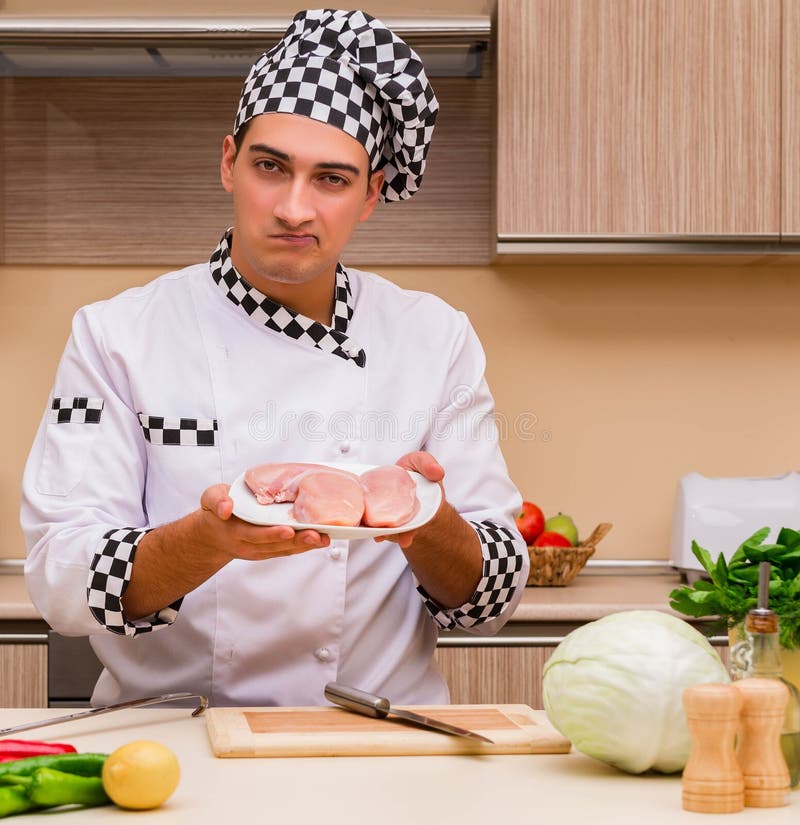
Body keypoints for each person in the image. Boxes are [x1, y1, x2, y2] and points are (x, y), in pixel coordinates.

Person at [20, 9, 528, 708]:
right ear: (229, 162)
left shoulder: (435, 337)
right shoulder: (116, 336)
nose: (294, 208)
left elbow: (493, 596)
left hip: (379, 743)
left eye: (331, 179)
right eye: (271, 167)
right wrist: (209, 539)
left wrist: (424, 517)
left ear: (371, 194)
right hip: (179, 740)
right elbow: (61, 577)